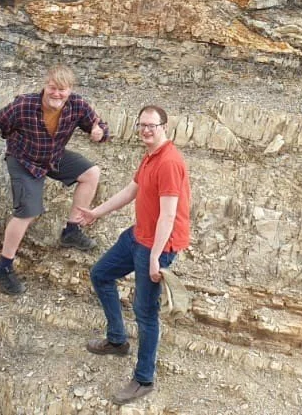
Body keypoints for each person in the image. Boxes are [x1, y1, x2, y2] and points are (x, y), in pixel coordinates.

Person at [75, 105, 191, 405]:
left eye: (152, 125)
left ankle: (143, 379)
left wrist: (155, 258)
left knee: (145, 313)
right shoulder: (150, 156)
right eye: (142, 125)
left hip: (157, 246)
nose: (146, 130)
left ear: (165, 126)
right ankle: (117, 339)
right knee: (101, 274)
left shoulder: (168, 162)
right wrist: (96, 213)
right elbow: (131, 191)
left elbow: (168, 215)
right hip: (137, 236)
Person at [0, 65, 108, 294]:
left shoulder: (77, 105)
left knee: (91, 173)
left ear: (70, 90)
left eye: (62, 90)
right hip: (23, 161)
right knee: (28, 212)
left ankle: (71, 230)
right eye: (52, 88)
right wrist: (15, 140)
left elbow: (98, 125)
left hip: (53, 156)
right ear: (45, 85)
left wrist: (100, 132)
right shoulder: (25, 104)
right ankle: (3, 267)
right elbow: (1, 120)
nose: (56, 93)